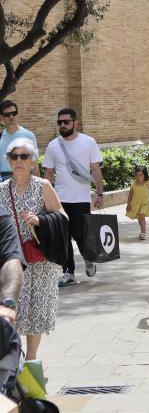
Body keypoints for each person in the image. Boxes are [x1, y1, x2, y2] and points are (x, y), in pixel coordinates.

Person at [0, 138, 68, 360]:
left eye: (24, 157)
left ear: (32, 161)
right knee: (12, 311)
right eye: (14, 157)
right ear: (9, 161)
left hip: (39, 262)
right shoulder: (1, 190)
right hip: (11, 262)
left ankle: (31, 359)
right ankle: (13, 360)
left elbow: (62, 216)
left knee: (35, 312)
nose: (19, 161)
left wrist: (40, 220)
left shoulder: (42, 186)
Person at [43, 108, 104, 287]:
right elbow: (48, 173)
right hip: (59, 199)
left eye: (66, 122)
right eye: (59, 122)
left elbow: (95, 169)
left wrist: (100, 193)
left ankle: (88, 256)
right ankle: (68, 272)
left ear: (75, 123)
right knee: (63, 236)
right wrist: (46, 197)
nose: (62, 125)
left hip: (81, 199)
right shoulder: (53, 145)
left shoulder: (89, 142)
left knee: (80, 234)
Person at [0, 101, 38, 182]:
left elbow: (34, 163)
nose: (11, 116)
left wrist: (39, 188)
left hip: (25, 178)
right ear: (2, 117)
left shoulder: (28, 135)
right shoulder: (0, 137)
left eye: (14, 113)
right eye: (7, 115)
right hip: (4, 181)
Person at [126, 166, 149, 241]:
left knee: (142, 215)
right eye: (137, 175)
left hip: (144, 204)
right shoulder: (134, 184)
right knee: (139, 218)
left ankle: (143, 232)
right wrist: (128, 204)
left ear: (145, 175)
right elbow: (130, 195)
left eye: (141, 175)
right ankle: (142, 228)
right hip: (135, 205)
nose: (138, 177)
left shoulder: (146, 183)